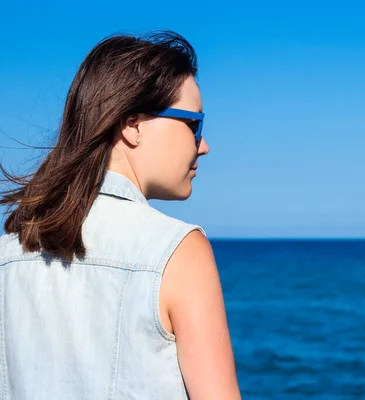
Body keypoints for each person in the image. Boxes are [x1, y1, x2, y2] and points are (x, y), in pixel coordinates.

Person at [0, 31, 241, 399]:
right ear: (132, 124)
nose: (203, 146)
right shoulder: (177, 250)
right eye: (194, 125)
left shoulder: (8, 252)